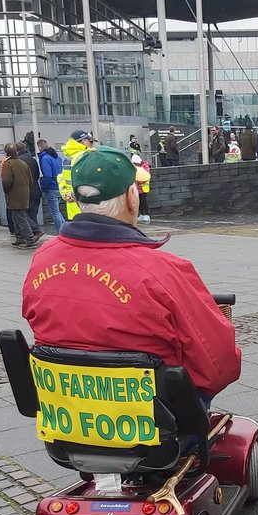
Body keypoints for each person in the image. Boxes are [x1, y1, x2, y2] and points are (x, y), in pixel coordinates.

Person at [21, 146, 240, 400]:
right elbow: (218, 365)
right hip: (156, 423)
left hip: (68, 416)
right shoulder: (162, 270)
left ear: (78, 200)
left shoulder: (42, 259)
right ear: (131, 198)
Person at [1, 143, 40, 247]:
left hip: (14, 195)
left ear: (6, 152)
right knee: (16, 216)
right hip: (25, 193)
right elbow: (31, 178)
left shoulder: (8, 164)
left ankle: (29, 238)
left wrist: (7, 191)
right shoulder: (23, 163)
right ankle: (19, 237)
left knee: (20, 217)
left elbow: (6, 181)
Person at [58, 129, 96, 220]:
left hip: (72, 207)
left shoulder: (67, 157)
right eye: (90, 141)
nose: (92, 144)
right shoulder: (85, 156)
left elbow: (62, 178)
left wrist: (65, 193)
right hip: (86, 206)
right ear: (83, 141)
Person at [36, 138, 63, 234]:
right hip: (60, 186)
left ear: (39, 147)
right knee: (57, 211)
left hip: (51, 187)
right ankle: (65, 229)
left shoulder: (45, 159)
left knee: (54, 212)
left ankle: (61, 232)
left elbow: (47, 175)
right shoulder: (57, 157)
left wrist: (43, 187)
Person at [130, 151, 152, 223]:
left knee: (143, 201)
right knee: (139, 202)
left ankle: (147, 215)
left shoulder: (144, 167)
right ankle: (142, 214)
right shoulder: (137, 168)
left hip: (143, 188)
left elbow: (145, 177)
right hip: (137, 188)